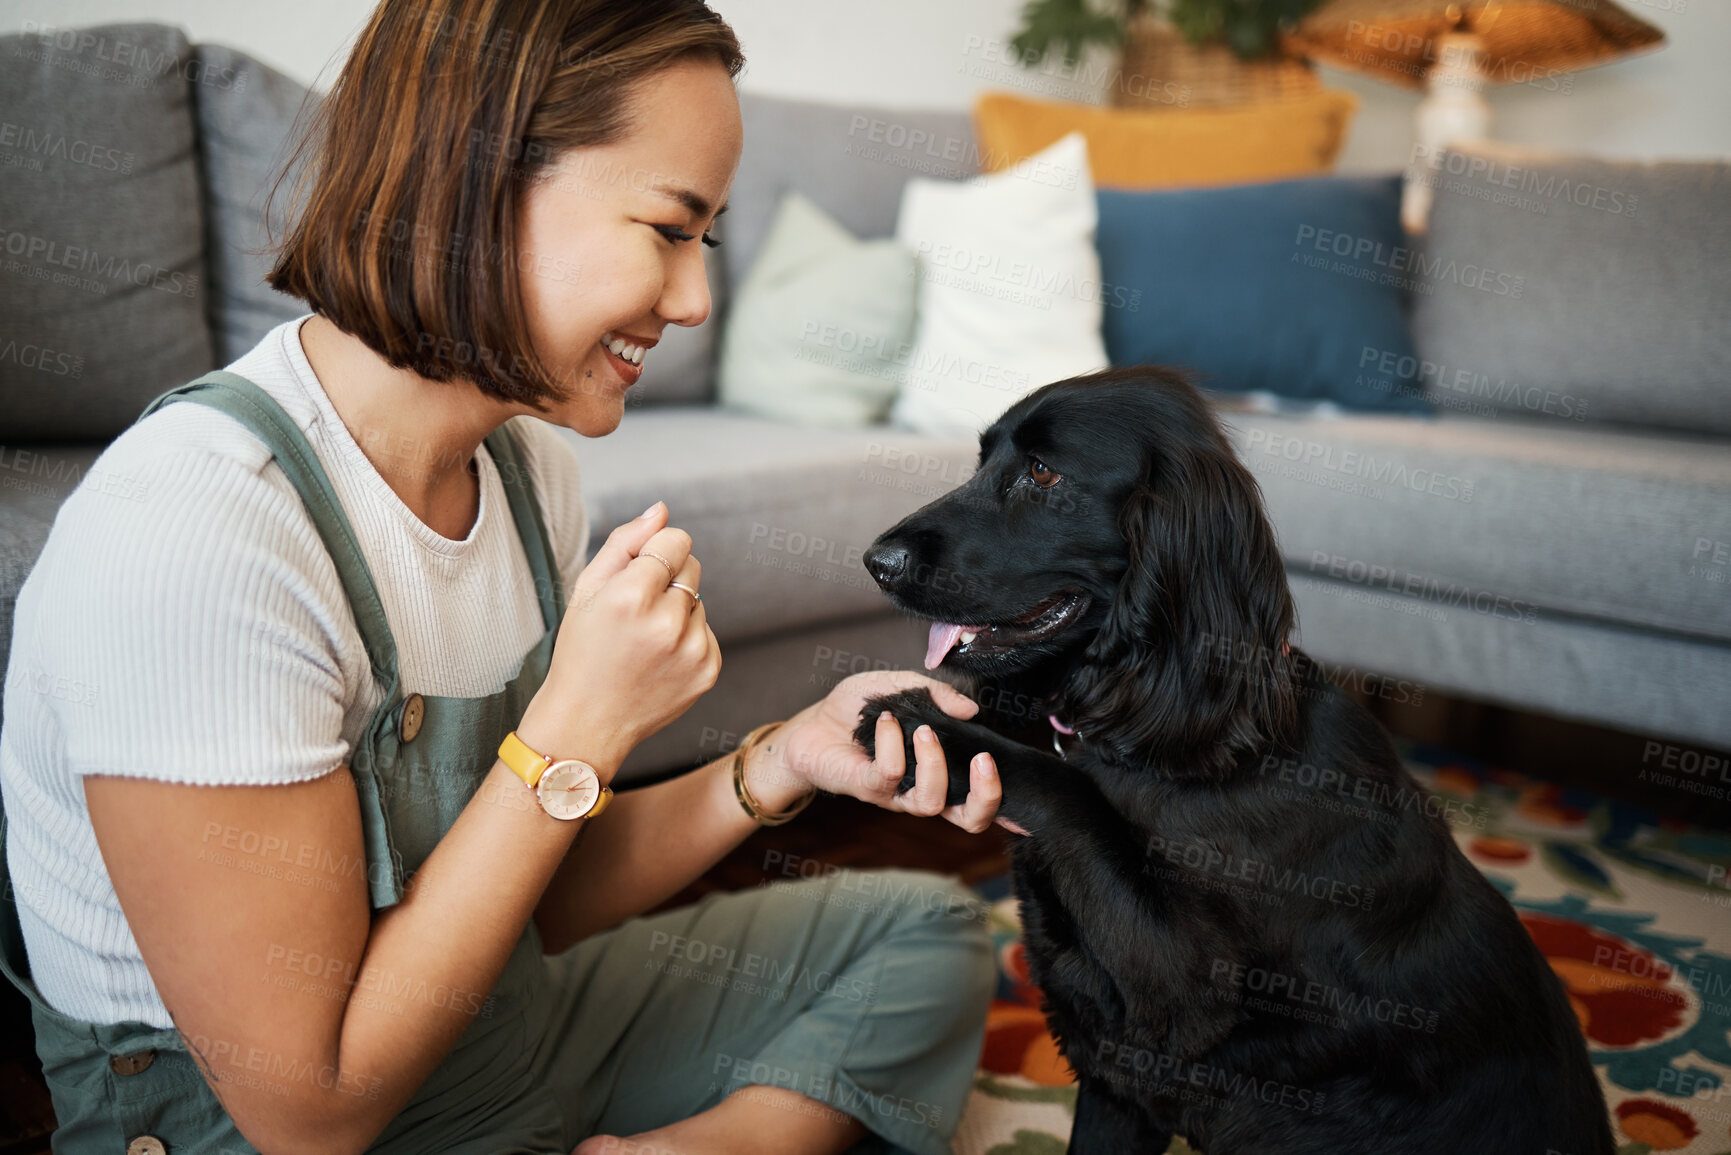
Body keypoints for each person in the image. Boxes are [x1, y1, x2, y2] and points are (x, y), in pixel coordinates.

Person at [0, 3, 1011, 1153]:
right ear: (476, 186)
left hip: (494, 1035)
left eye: (708, 240)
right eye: (670, 228)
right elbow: (305, 1110)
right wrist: (582, 722)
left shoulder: (528, 473)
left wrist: (779, 760)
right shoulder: (196, 537)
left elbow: (528, 895)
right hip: (297, 1124)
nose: (694, 302)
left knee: (925, 927)